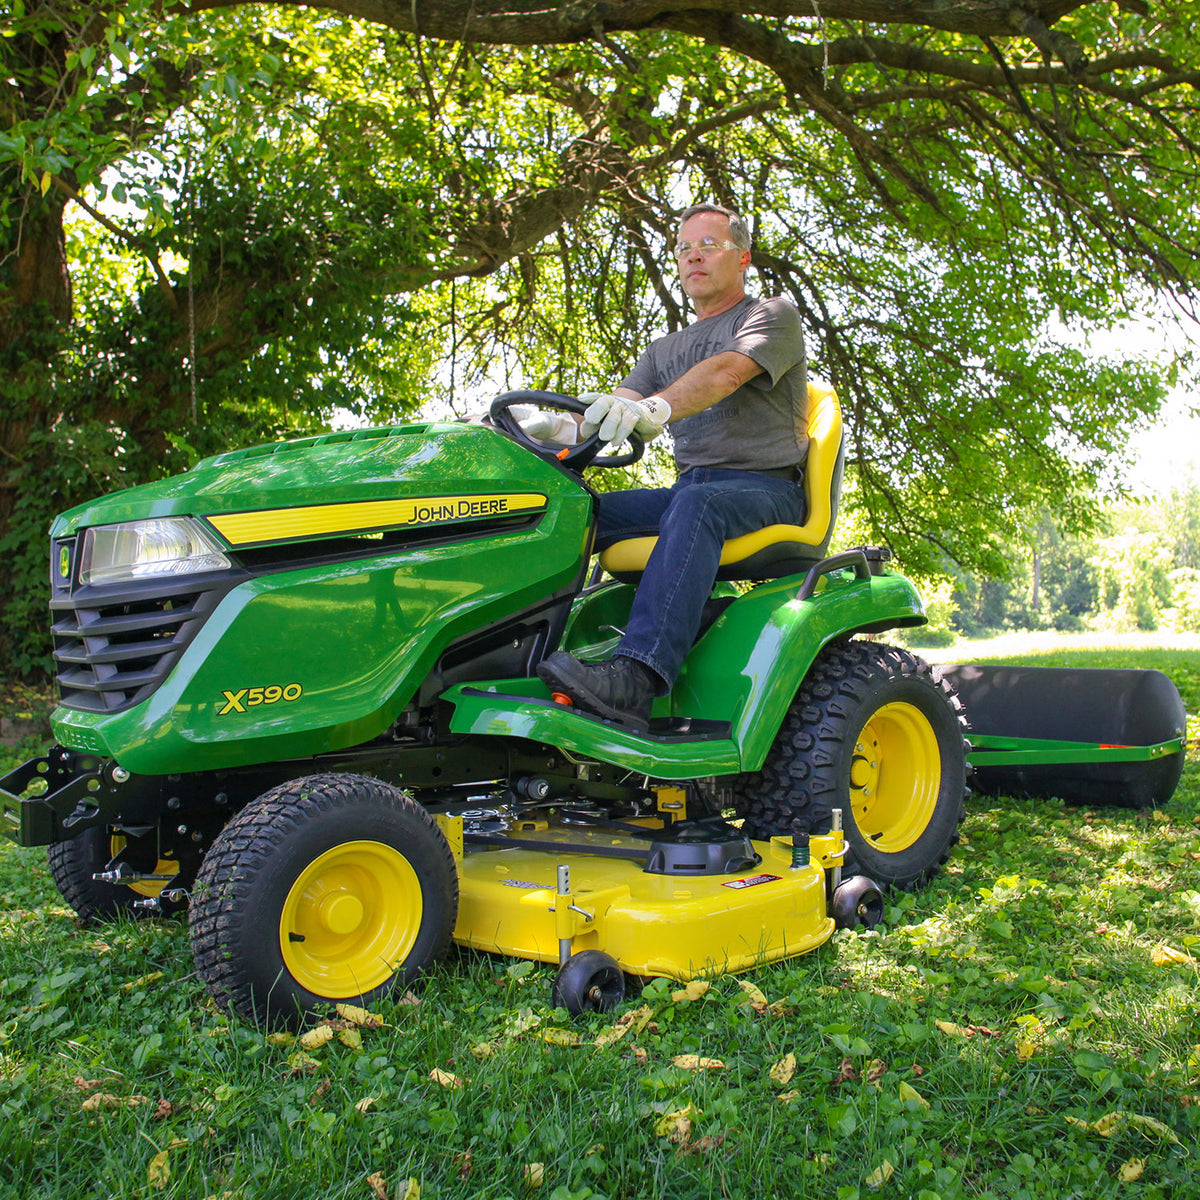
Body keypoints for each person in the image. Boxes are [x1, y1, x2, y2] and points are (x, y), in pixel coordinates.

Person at [536, 202, 809, 731]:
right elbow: (607, 411)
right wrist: (549, 425)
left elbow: (728, 372)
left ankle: (636, 678)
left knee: (695, 501)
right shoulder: (663, 349)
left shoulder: (771, 315)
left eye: (708, 245)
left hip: (767, 491)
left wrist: (654, 409)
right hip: (692, 492)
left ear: (743, 258)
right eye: (684, 248)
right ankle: (519, 649)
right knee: (574, 510)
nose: (692, 256)